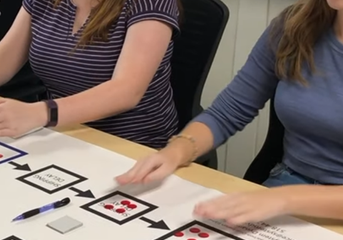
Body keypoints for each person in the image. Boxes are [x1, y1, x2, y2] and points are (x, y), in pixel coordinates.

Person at [115, 0, 343, 225]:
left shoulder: (283, 198)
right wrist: (176, 150)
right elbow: (227, 112)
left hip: (298, 200)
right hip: (288, 185)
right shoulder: (294, 25)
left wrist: (284, 198)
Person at [0, 0, 182, 148]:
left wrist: (41, 113)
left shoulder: (151, 2)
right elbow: (5, 56)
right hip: (62, 135)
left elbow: (126, 90)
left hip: (132, 147)